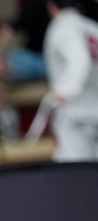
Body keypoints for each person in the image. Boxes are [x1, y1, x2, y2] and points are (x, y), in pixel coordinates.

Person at [0, 0, 51, 139]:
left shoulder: (84, 7)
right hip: (34, 58)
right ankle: (7, 124)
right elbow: (8, 29)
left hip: (65, 61)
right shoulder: (37, 5)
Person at [43, 0, 98, 161]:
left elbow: (80, 60)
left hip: (75, 117)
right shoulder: (91, 27)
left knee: (73, 178)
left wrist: (64, 91)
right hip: (94, 113)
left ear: (51, 6)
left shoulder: (62, 26)